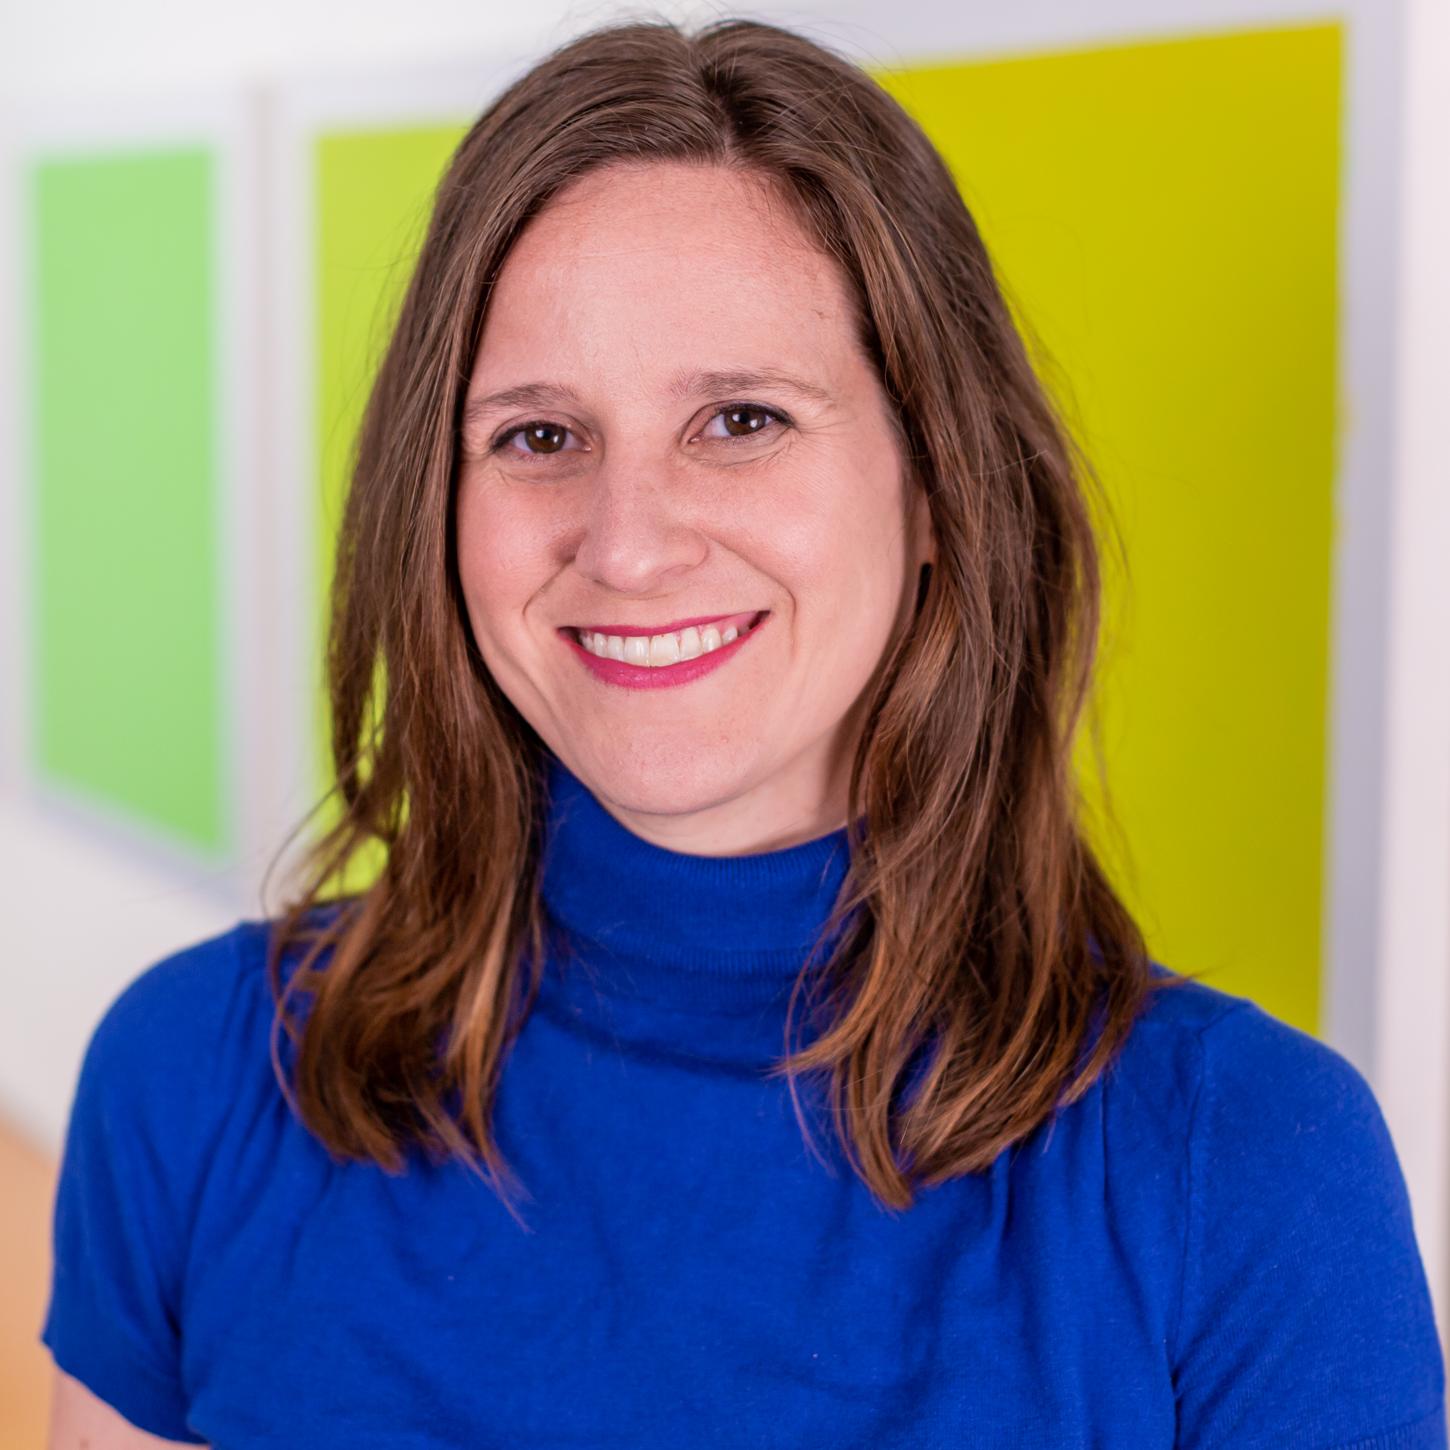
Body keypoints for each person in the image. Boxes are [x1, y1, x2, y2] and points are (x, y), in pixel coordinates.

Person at [41, 15, 1445, 1449]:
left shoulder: (1248, 1172)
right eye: (538, 435)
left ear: (939, 495)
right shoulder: (193, 1074)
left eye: (740, 419)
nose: (628, 543)